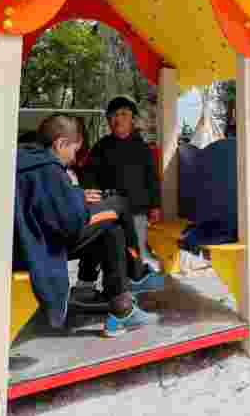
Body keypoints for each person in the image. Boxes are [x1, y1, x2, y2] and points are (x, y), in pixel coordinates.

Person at [13, 114, 157, 337]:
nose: (72, 158)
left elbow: (45, 206)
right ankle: (135, 275)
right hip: (42, 247)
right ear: (60, 143)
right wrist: (81, 202)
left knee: (112, 229)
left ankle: (121, 307)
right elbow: (69, 223)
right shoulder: (48, 168)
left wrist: (76, 195)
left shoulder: (26, 161)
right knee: (118, 204)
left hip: (28, 242)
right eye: (72, 151)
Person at [81, 96, 162, 267]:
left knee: (136, 250)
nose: (118, 119)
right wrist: (93, 197)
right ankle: (116, 285)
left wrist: (155, 205)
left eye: (123, 114)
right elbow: (89, 175)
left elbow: (152, 178)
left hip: (137, 211)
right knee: (112, 251)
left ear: (132, 118)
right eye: (113, 115)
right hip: (110, 212)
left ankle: (136, 278)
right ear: (108, 121)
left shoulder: (143, 148)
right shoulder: (100, 147)